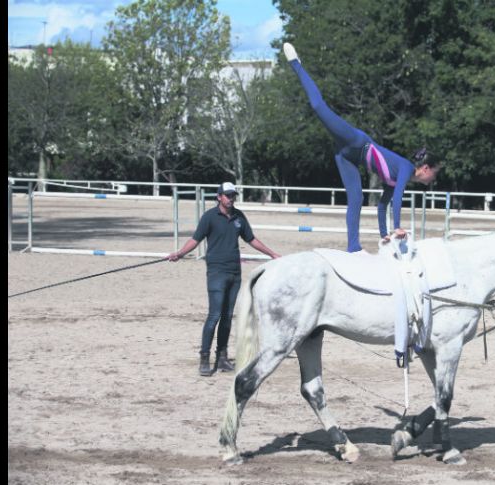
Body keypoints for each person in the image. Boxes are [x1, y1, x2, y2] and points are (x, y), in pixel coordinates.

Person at [283, 42, 441, 252]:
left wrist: (385, 234)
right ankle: (296, 64)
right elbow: (397, 199)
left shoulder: (396, 179)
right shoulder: (404, 168)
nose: (434, 180)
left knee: (356, 198)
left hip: (347, 157)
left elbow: (382, 205)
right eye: (435, 175)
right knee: (318, 107)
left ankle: (353, 248)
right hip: (356, 142)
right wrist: (398, 227)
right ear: (426, 168)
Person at [168, 182, 281, 376]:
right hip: (216, 272)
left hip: (234, 273)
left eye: (233, 195)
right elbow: (195, 240)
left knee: (227, 318)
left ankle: (222, 357)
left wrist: (272, 254)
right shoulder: (209, 217)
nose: (231, 198)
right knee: (214, 316)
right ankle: (204, 357)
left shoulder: (239, 217)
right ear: (219, 196)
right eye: (227, 195)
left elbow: (251, 239)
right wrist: (180, 253)